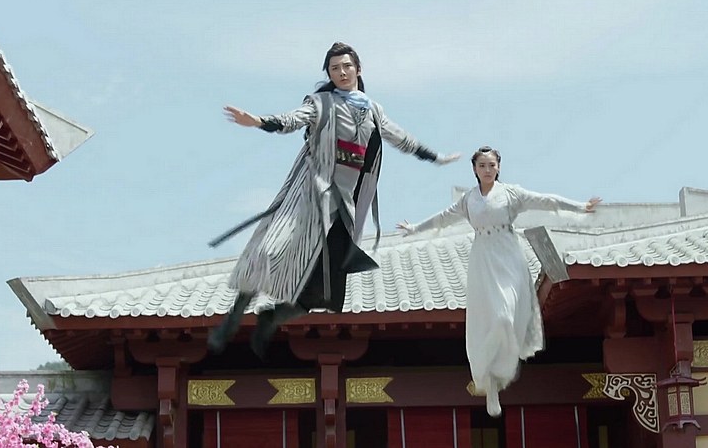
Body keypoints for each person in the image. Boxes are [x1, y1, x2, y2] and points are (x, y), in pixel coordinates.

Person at [207, 42, 460, 358]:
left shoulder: (374, 110)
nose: (341, 72)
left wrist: (436, 157)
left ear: (358, 69)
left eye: (346, 66)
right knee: (268, 250)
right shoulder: (320, 103)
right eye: (335, 68)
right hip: (310, 191)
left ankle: (272, 318)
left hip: (343, 203)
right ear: (329, 73)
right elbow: (292, 119)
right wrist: (258, 121)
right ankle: (231, 320)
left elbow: (402, 139)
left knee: (323, 287)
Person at [397, 146, 600, 417]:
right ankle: (490, 381)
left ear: (499, 167)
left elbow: (545, 201)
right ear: (474, 169)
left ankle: (502, 371)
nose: (487, 169)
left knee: (507, 317)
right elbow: (443, 218)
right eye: (482, 165)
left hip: (509, 256)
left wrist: (580, 207)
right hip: (483, 259)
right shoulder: (469, 199)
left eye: (492, 165)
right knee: (491, 318)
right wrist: (415, 228)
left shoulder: (511, 194)